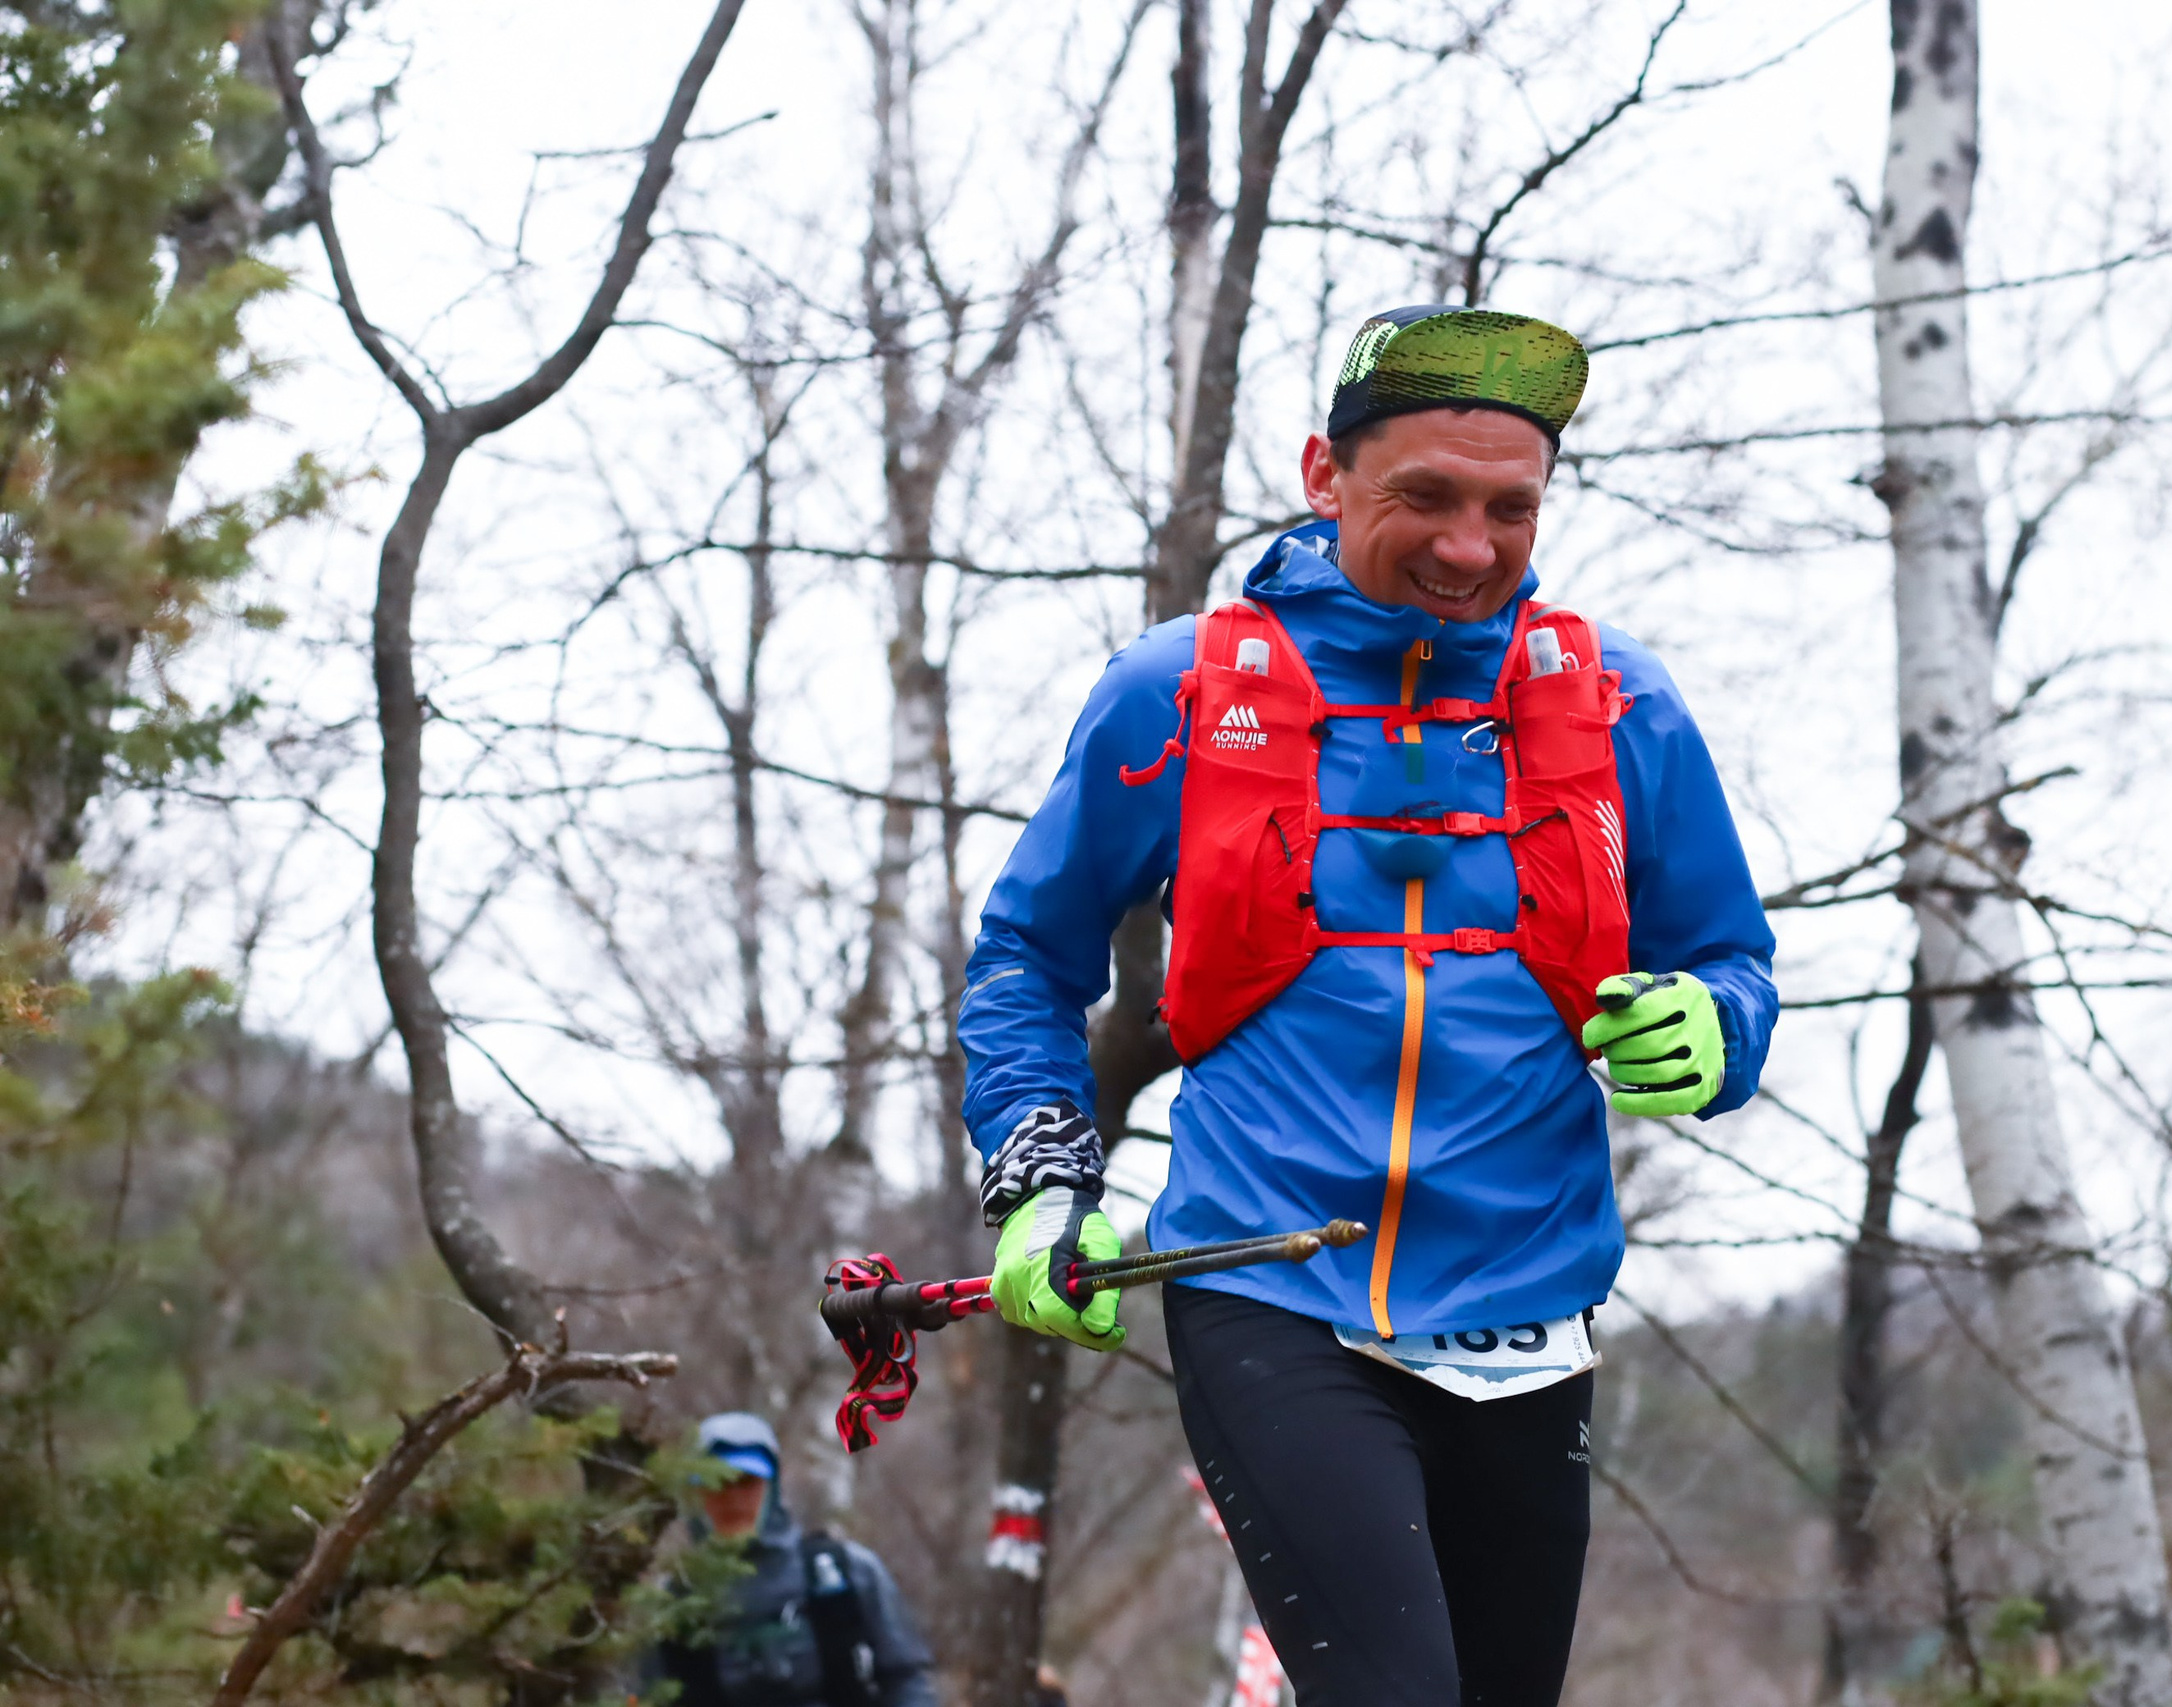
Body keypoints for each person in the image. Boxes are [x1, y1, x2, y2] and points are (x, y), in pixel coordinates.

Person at [958, 306, 1775, 1707]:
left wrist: (1713, 1032)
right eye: (1428, 500)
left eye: (1512, 508)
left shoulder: (1621, 703)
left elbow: (1730, 960)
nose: (1473, 546)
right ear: (1322, 476)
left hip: (1531, 1308)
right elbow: (1028, 954)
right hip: (1270, 1284)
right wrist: (1040, 1174)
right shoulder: (1183, 687)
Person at [646, 1412, 937, 1707]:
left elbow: (906, 1681)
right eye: (716, 1483)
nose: (732, 1498)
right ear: (694, 1495)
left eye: (746, 1481)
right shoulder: (672, 1605)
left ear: (771, 1489)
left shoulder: (845, 1574)